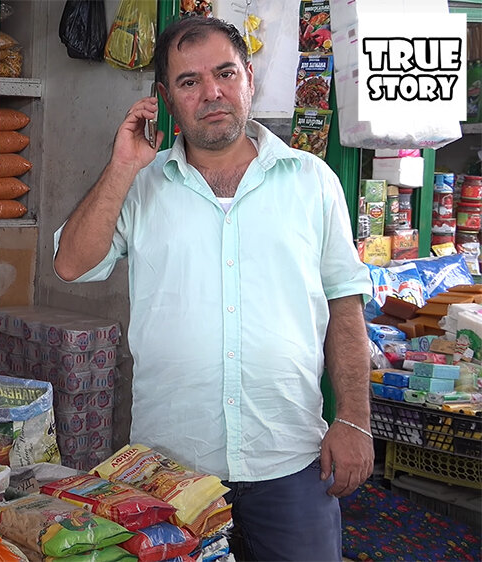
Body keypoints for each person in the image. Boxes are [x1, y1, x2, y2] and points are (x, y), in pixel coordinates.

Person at [53, 16, 373, 561]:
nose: (212, 93)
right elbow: (71, 265)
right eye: (189, 81)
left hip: (289, 459)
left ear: (250, 77)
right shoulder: (140, 185)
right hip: (170, 470)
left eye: (225, 72)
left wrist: (354, 420)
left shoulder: (312, 180)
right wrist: (122, 167)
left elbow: (344, 305)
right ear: (166, 99)